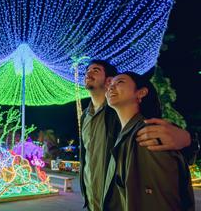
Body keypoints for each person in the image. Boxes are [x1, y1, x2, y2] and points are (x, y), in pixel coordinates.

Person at [79, 60, 195, 211]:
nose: (88, 73)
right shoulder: (86, 117)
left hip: (116, 200)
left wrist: (189, 139)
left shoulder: (130, 121)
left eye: (95, 70)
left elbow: (168, 144)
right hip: (94, 200)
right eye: (87, 70)